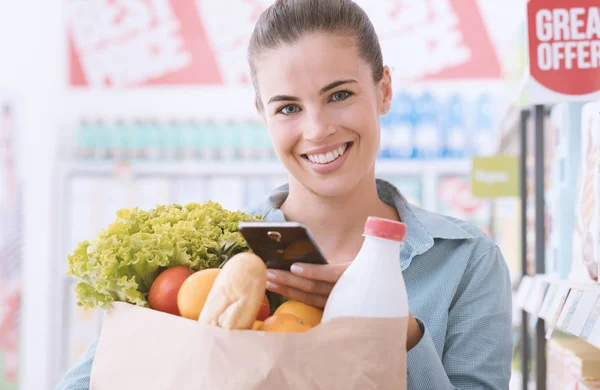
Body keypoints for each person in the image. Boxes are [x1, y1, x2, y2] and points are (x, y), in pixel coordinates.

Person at [55, 0, 512, 388]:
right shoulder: (214, 256)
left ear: (384, 89)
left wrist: (399, 333)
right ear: (263, 115)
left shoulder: (465, 260)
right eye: (288, 107)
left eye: (339, 95)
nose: (317, 130)